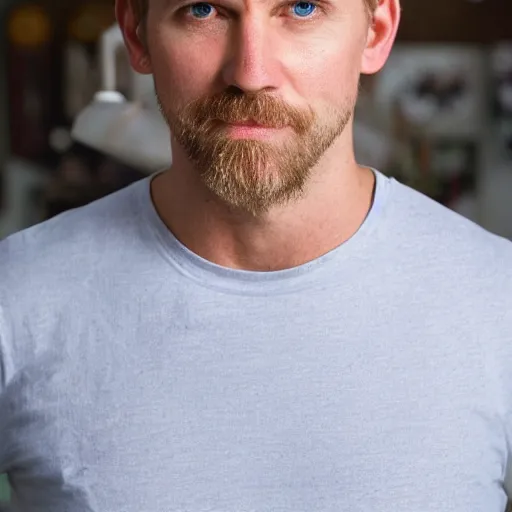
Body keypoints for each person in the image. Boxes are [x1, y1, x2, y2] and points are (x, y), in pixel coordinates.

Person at [0, 0, 511, 509]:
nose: (250, 73)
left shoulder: (498, 302)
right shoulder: (16, 299)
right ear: (137, 35)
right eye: (203, 11)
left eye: (303, 9)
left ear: (375, 33)